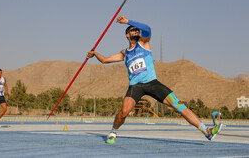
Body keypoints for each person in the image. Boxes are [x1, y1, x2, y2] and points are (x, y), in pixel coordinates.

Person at [87, 15, 222, 144]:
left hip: (152, 83)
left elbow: (147, 28)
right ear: (127, 35)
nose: (136, 30)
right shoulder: (125, 53)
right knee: (124, 112)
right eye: (133, 29)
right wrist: (95, 54)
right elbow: (105, 60)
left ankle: (206, 131)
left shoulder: (143, 43)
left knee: (179, 105)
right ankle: (113, 132)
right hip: (136, 86)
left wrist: (128, 21)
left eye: (136, 29)